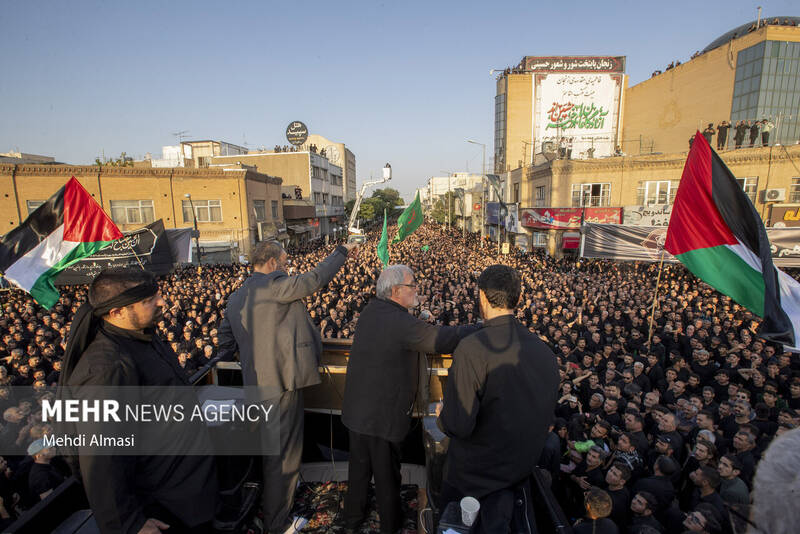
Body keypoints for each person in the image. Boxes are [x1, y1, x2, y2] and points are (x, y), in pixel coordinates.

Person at [218, 240, 358, 533]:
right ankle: (278, 523)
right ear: (271, 263)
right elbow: (315, 279)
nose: (287, 266)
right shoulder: (274, 285)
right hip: (280, 385)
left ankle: (270, 512)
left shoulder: (237, 296)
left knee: (270, 454)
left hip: (255, 387)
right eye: (285, 261)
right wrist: (342, 252)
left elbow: (226, 342)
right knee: (283, 456)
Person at [63, 268, 218, 534]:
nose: (162, 302)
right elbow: (100, 456)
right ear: (117, 312)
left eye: (157, 294)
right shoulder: (106, 367)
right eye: (149, 300)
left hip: (188, 489)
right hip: (164, 505)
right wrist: (128, 523)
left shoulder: (145, 335)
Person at [341, 264, 478, 534]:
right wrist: (483, 327)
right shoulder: (398, 321)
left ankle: (352, 520)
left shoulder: (372, 310)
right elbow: (441, 339)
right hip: (381, 417)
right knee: (386, 476)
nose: (418, 289)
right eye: (412, 285)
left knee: (358, 470)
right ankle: (390, 525)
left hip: (357, 410)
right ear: (395, 291)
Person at [437, 265, 559, 532]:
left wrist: (442, 416)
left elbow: (458, 425)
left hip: (472, 482)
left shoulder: (473, 348)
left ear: (481, 296)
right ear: (517, 297)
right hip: (519, 477)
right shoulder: (545, 353)